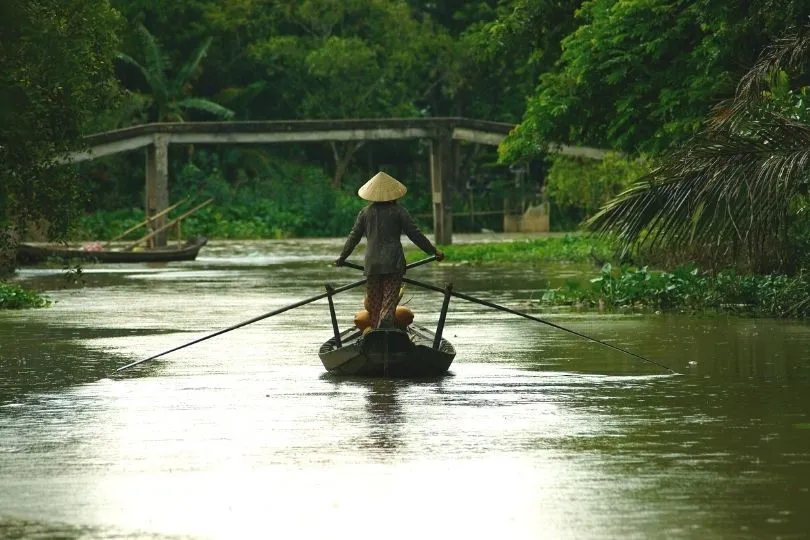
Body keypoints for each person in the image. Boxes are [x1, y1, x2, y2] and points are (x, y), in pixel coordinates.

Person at [336, 171, 445, 329]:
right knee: (388, 300)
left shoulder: (365, 213)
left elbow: (354, 237)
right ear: (394, 195)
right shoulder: (399, 212)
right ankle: (386, 320)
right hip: (394, 264)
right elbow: (415, 234)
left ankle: (376, 331)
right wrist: (434, 252)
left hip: (372, 265)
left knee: (373, 305)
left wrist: (342, 257)